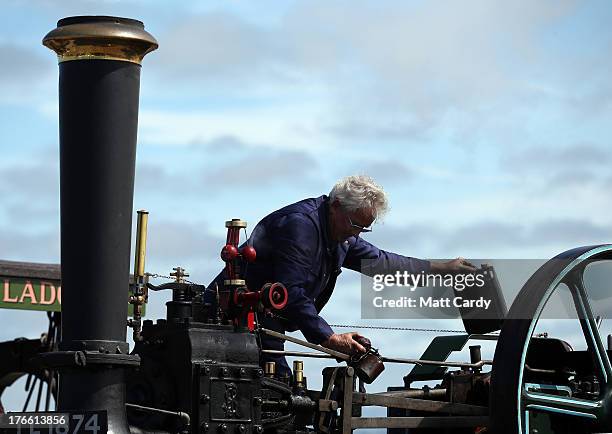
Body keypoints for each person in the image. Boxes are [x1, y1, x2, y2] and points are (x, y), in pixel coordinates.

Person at [208, 175, 475, 377]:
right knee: (276, 394)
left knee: (278, 392)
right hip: (230, 319)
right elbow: (291, 291)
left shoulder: (340, 234)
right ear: (335, 206)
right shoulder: (300, 227)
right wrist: (330, 338)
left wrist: (442, 268)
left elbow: (382, 263)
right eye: (355, 225)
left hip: (265, 321)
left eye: (364, 229)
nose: (356, 234)